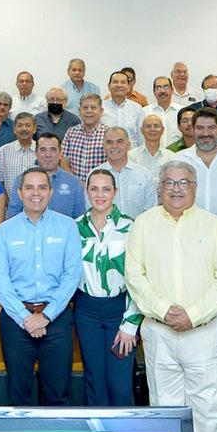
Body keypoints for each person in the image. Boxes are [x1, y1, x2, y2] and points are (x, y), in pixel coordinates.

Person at [126, 162, 217, 432]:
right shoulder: (143, 225)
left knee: (207, 406)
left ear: (195, 187)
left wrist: (193, 314)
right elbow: (135, 276)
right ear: (159, 187)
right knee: (164, 403)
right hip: (159, 331)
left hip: (203, 332)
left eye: (183, 182)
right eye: (169, 182)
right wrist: (164, 310)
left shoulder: (215, 226)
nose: (176, 189)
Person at [0, 167, 83, 409]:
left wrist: (46, 316)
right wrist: (25, 318)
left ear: (50, 192)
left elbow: (72, 275)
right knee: (18, 395)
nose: (36, 193)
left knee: (58, 394)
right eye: (29, 187)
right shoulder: (5, 231)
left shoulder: (67, 227)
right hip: (16, 319)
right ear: (19, 193)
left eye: (42, 187)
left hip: (57, 318)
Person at [73, 167, 141, 408]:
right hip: (86, 310)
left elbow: (140, 278)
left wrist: (131, 323)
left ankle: (124, 431)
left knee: (119, 382)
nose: (100, 195)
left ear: (115, 192)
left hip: (119, 310)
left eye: (106, 189)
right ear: (87, 191)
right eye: (94, 189)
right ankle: (97, 431)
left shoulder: (131, 227)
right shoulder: (75, 227)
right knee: (94, 379)